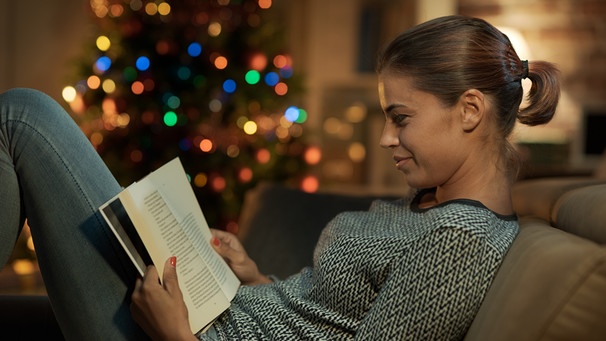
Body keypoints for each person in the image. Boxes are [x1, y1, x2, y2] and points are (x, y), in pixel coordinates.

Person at [0, 15, 560, 340]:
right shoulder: (427, 202)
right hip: (207, 315)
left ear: (469, 110)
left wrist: (176, 338)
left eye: (401, 118)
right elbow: (324, 322)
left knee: (21, 117)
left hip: (180, 334)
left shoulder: (460, 243)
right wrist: (252, 278)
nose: (387, 138)